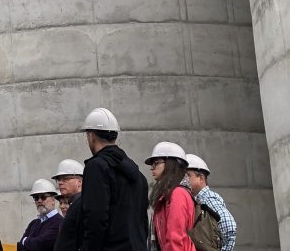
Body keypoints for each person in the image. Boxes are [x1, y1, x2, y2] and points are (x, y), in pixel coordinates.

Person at [78, 107, 148, 251]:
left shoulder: (97, 167)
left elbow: (95, 218)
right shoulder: (138, 175)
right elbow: (143, 221)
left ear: (91, 136)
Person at [146, 142, 195, 251]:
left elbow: (175, 238)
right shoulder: (168, 193)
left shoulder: (178, 193)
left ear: (171, 164)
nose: (152, 168)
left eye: (156, 163)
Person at [185, 154, 237, 251]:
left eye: (187, 175)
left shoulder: (208, 198)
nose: (183, 180)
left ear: (201, 178)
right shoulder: (196, 200)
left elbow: (230, 227)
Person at [18, 179, 63, 251]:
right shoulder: (33, 223)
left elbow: (39, 245)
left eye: (43, 197)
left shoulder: (60, 222)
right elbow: (20, 247)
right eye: (36, 198)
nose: (39, 201)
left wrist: (25, 241)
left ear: (53, 200)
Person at [51, 159, 83, 251]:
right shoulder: (75, 203)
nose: (60, 182)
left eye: (65, 178)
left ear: (79, 182)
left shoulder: (83, 203)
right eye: (58, 179)